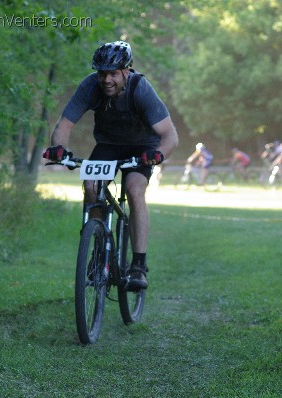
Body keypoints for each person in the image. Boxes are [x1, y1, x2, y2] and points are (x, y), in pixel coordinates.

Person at [42, 41, 178, 291]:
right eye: (102, 73)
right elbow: (64, 125)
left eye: (113, 73)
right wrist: (59, 148)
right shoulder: (89, 86)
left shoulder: (141, 90)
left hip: (142, 147)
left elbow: (170, 136)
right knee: (91, 186)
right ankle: (97, 246)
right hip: (108, 145)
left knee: (134, 189)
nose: (106, 79)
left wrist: (157, 156)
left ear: (127, 71)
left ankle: (138, 265)